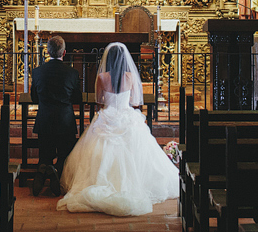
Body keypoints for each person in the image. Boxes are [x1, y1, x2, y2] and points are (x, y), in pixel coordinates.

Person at [58, 42, 178, 216]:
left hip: (107, 117)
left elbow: (100, 100)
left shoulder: (102, 78)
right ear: (124, 59)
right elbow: (136, 102)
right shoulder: (130, 77)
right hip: (126, 115)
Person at [30, 36, 82, 196]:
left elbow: (34, 98)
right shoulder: (72, 73)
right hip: (65, 121)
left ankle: (43, 169)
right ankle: (57, 171)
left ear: (47, 52)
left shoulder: (38, 72)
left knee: (45, 154)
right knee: (64, 155)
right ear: (64, 53)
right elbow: (77, 99)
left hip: (44, 119)